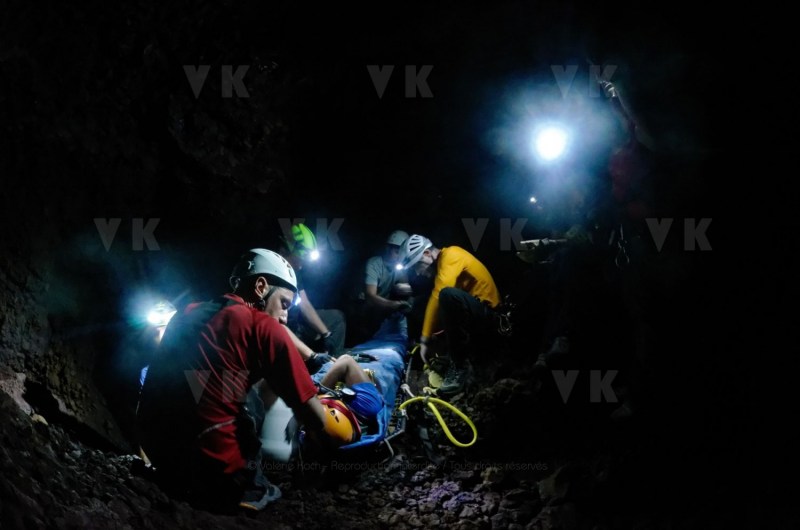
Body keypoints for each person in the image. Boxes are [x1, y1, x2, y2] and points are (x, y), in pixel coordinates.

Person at [137, 248, 340, 513]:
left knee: (229, 389)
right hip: (216, 478)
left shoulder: (187, 312)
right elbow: (316, 419)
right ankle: (250, 489)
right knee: (249, 403)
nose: (285, 317)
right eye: (284, 304)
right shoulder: (265, 328)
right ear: (260, 286)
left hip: (159, 454)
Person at [399, 234, 502, 396]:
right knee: (422, 304)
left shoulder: (451, 255)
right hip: (475, 316)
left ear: (427, 254)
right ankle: (446, 358)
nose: (417, 273)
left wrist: (425, 339)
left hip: (490, 317)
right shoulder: (442, 266)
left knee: (446, 295)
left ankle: (459, 366)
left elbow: (440, 294)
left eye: (416, 266)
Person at [278, 222, 347, 357]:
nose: (302, 265)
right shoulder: (272, 272)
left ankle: (335, 362)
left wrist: (326, 334)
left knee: (336, 318)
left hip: (296, 322)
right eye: (300, 259)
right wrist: (311, 356)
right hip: (283, 330)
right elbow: (275, 324)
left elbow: (304, 303)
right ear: (286, 250)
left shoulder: (293, 272)